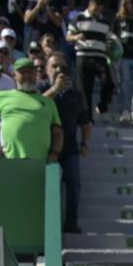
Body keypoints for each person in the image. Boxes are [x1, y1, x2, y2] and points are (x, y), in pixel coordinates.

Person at [41, 53, 90, 234]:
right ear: (46, 69)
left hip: (69, 149)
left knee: (74, 185)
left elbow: (85, 122)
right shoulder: (40, 88)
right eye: (54, 66)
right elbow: (36, 107)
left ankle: (71, 222)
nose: (58, 70)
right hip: (45, 148)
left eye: (61, 67)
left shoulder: (75, 94)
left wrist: (85, 143)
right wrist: (54, 89)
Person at [0, 58, 62, 161]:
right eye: (22, 72)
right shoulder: (2, 96)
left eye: (30, 72)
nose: (27, 75)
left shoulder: (48, 102)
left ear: (35, 74)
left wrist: (55, 153)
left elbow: (57, 132)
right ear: (14, 75)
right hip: (9, 160)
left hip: (41, 162)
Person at [65, 0, 113, 120]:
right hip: (83, 56)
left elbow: (108, 40)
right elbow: (68, 36)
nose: (98, 11)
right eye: (96, 8)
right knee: (85, 90)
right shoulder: (79, 18)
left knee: (107, 82)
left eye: (100, 9)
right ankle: (87, 119)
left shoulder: (105, 22)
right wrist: (76, 37)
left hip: (100, 56)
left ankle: (102, 106)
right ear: (90, 5)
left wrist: (109, 51)